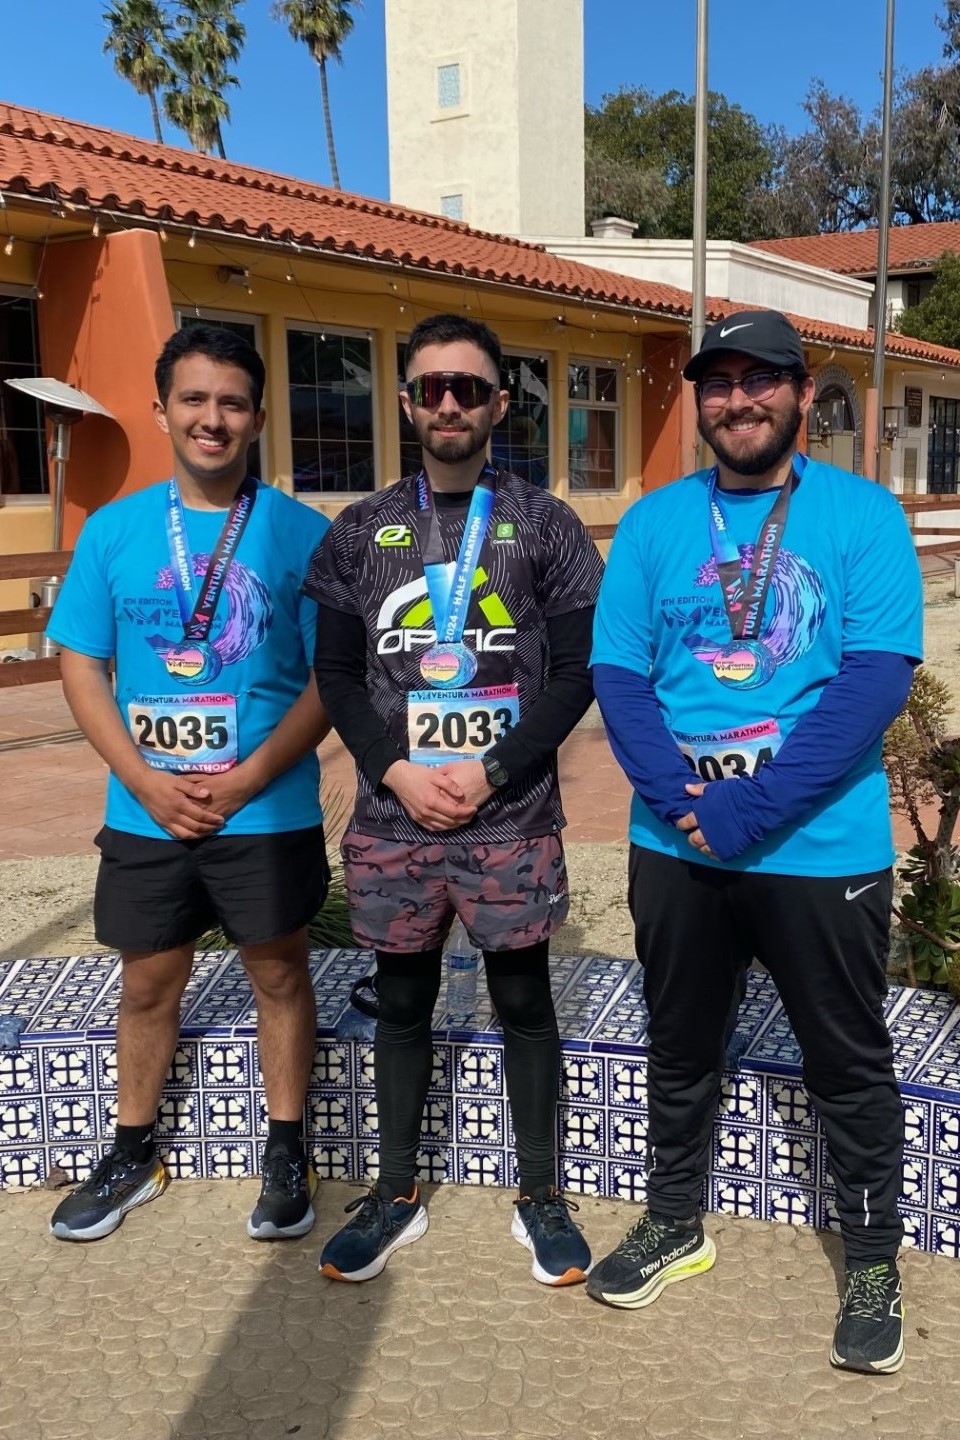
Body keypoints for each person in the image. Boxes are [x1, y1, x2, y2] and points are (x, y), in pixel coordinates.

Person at [588, 309, 922, 1375]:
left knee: (847, 1061)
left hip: (818, 850)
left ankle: (872, 1261)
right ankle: (675, 1221)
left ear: (802, 389)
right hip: (677, 843)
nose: (738, 399)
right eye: (719, 381)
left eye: (760, 379)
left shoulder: (863, 518)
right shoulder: (652, 524)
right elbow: (620, 677)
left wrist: (749, 806)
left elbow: (872, 682)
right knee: (681, 1046)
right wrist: (686, 801)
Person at [305, 312, 604, 1286]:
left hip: (509, 817)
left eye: (467, 388)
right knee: (402, 1003)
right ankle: (395, 1194)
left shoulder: (544, 522)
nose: (447, 403)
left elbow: (577, 673)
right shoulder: (360, 531)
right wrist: (393, 769)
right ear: (404, 401)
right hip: (396, 821)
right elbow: (341, 677)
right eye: (430, 386)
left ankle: (542, 1194)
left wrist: (494, 768)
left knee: (523, 999)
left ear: (498, 404)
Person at [46, 324, 332, 1243]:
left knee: (280, 976)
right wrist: (143, 779)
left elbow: (334, 680)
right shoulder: (114, 531)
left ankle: (286, 1150)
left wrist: (245, 779)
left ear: (256, 418)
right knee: (146, 983)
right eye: (196, 400)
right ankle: (132, 1152)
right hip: (145, 808)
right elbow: (83, 664)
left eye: (234, 403)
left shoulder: (300, 533)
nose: (214, 420)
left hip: (267, 808)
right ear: (162, 408)